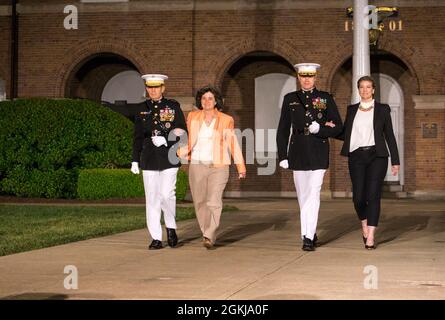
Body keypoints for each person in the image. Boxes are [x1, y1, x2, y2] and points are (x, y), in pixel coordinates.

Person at [276, 63, 343, 251]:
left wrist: (320, 129)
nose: (306, 79)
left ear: (315, 78)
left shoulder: (325, 98)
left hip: (318, 149)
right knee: (302, 196)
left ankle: (306, 237)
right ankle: (310, 232)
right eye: (303, 76)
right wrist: (283, 155)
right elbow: (282, 130)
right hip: (297, 151)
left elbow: (338, 127)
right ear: (298, 77)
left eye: (310, 76)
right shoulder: (290, 99)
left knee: (313, 194)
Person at [179, 85, 246, 249]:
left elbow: (232, 143)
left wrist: (240, 166)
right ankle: (205, 231)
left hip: (219, 165)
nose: (207, 101)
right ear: (199, 101)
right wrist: (179, 151)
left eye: (210, 98)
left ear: (216, 101)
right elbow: (186, 138)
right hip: (197, 164)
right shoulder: (193, 117)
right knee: (200, 201)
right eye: (203, 98)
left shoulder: (226, 119)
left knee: (214, 201)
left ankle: (209, 234)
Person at [338, 75, 400, 250]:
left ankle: (371, 235)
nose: (365, 90)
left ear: (373, 90)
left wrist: (395, 161)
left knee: (373, 195)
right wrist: (329, 128)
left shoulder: (382, 109)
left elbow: (389, 135)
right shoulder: (351, 110)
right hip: (356, 157)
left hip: (376, 157)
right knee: (358, 198)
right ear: (358, 90)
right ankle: (364, 222)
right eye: (361, 87)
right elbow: (345, 134)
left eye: (368, 87)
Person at [131, 74, 187, 250]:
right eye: (150, 87)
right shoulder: (141, 108)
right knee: (152, 198)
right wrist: (134, 160)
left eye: (156, 87)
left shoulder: (173, 107)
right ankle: (156, 237)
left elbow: (182, 132)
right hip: (148, 158)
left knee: (167, 195)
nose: (153, 90)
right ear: (147, 88)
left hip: (169, 156)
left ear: (163, 88)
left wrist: (167, 140)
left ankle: (171, 227)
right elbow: (138, 137)